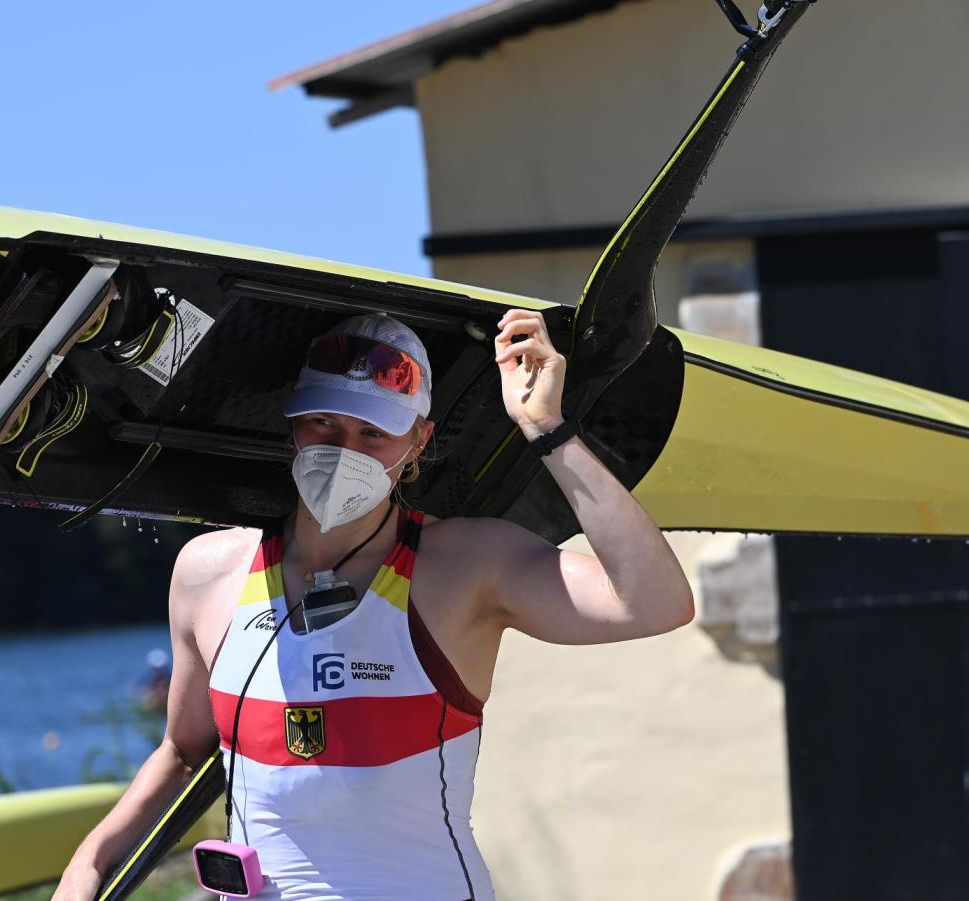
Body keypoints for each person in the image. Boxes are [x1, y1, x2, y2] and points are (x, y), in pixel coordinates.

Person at [53, 310, 695, 900]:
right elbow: (182, 750)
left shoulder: (465, 564)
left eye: (373, 433)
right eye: (324, 424)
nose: (345, 450)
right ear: (291, 426)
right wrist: (87, 864)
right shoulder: (208, 571)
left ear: (419, 441)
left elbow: (655, 602)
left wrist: (546, 429)